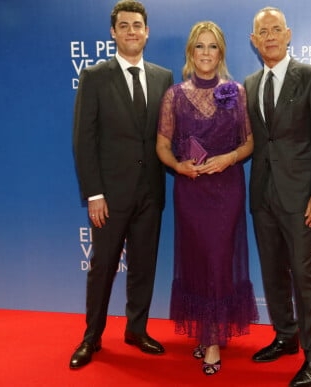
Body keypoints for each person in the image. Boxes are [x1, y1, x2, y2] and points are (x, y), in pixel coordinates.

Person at [70, 0, 173, 369]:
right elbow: (85, 139)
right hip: (109, 196)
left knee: (144, 266)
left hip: (151, 192)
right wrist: (94, 193)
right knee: (103, 267)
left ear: (147, 32)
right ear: (113, 33)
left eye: (138, 25)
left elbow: (168, 135)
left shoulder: (164, 77)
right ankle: (92, 337)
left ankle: (137, 329)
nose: (132, 31)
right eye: (124, 25)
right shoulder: (95, 77)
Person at [156, 21, 258, 376]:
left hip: (227, 189)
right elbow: (162, 147)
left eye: (212, 47)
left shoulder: (236, 92)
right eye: (199, 46)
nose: (206, 53)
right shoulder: (174, 95)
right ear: (190, 52)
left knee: (218, 260)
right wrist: (179, 167)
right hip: (191, 190)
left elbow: (249, 142)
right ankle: (204, 330)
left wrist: (228, 158)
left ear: (221, 53)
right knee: (197, 260)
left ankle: (213, 341)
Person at [244, 6, 311, 387]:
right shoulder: (249, 84)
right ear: (254, 41)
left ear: (288, 34)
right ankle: (285, 336)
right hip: (262, 194)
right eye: (262, 32)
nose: (269, 36)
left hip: (300, 197)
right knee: (272, 273)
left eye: (275, 29)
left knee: (304, 275)